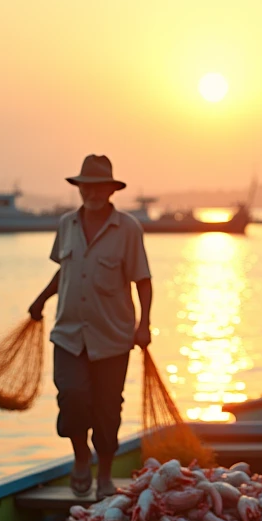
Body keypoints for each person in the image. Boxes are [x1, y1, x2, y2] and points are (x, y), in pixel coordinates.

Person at [29, 154, 153, 498]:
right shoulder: (67, 223)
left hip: (113, 337)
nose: (92, 192)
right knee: (72, 398)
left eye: (99, 187)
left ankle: (104, 476)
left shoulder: (128, 228)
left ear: (111, 190)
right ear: (80, 188)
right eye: (86, 186)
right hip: (68, 334)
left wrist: (144, 324)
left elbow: (143, 279)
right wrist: (41, 299)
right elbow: (64, 271)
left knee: (107, 409)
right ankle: (81, 457)